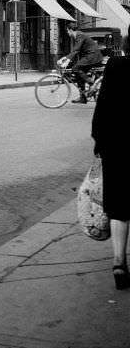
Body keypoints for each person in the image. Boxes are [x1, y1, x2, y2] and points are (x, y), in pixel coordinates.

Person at [91, 35, 130, 290]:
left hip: (118, 145)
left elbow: (102, 107)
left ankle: (118, 262)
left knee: (119, 207)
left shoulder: (115, 66)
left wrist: (99, 141)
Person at [65, 23, 104, 104]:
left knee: (75, 69)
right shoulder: (78, 36)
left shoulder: (79, 35)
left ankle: (91, 83)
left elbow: (76, 50)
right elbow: (76, 51)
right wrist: (65, 58)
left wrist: (67, 60)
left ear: (71, 30)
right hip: (90, 57)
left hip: (93, 56)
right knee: (77, 75)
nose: (67, 33)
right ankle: (83, 98)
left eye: (67, 31)